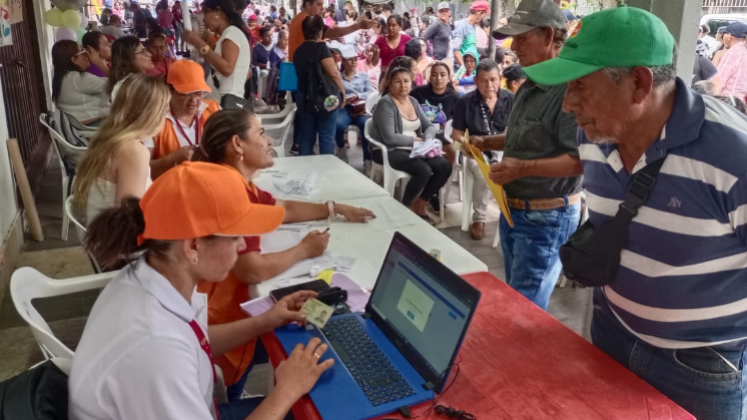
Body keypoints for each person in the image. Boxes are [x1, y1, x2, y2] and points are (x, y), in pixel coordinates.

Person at [524, 6, 747, 420]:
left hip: (699, 369)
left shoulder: (733, 156)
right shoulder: (593, 134)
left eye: (580, 86)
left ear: (640, 83)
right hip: (610, 332)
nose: (568, 104)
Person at [69, 161, 334, 420]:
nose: (243, 245)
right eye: (234, 236)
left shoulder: (150, 277)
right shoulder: (156, 347)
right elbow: (171, 349)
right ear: (193, 246)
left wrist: (265, 321)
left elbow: (195, 340)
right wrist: (288, 388)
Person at [190, 109, 373, 397]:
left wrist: (332, 208)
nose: (270, 140)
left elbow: (281, 209)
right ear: (238, 145)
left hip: (215, 321)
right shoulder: (231, 191)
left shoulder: (235, 181)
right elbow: (250, 269)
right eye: (261, 133)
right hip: (223, 323)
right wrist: (304, 249)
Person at [477, 0, 581, 310]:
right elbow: (518, 138)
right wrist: (485, 142)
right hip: (515, 212)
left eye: (522, 37)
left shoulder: (569, 90)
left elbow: (580, 161)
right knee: (517, 300)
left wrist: (522, 168)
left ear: (549, 36)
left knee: (524, 310)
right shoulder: (530, 83)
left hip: (546, 218)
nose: (514, 45)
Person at [73, 75, 170, 224]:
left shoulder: (108, 138)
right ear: (151, 115)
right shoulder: (134, 152)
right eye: (164, 110)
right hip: (115, 242)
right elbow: (128, 220)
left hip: (100, 234)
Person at [370, 66, 452, 224]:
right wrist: (417, 141)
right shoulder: (385, 104)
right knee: (423, 169)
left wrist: (427, 140)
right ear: (390, 84)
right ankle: (404, 207)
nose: (403, 86)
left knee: (444, 166)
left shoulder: (413, 101)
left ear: (411, 82)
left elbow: (428, 126)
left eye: (406, 81)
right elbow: (389, 138)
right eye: (397, 82)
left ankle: (419, 204)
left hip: (415, 148)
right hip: (389, 150)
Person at [451, 59, 514, 240]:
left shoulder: (511, 99)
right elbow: (456, 134)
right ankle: (480, 218)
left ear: (500, 79)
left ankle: (513, 215)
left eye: (493, 79)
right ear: (476, 81)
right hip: (476, 152)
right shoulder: (466, 101)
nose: (489, 85)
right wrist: (466, 145)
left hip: (504, 149)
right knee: (484, 173)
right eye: (484, 80)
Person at [147, 60, 220, 178]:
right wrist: (172, 159)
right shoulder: (153, 119)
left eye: (198, 93)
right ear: (170, 90)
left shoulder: (213, 110)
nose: (193, 100)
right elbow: (142, 171)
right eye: (185, 94)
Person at [183, 0, 253, 110]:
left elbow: (227, 69)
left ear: (218, 13)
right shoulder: (229, 34)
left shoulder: (232, 32)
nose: (204, 19)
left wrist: (199, 43)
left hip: (224, 104)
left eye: (206, 13)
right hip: (223, 102)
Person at [293, 15, 345, 156]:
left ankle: (305, 169)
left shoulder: (298, 51)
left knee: (307, 135)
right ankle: (325, 171)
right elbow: (334, 73)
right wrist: (342, 92)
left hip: (304, 96)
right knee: (326, 135)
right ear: (320, 31)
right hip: (325, 97)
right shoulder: (321, 48)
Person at [410, 60, 460, 170]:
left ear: (449, 78)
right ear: (430, 77)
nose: (438, 78)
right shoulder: (417, 93)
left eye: (442, 75)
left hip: (443, 137)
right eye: (434, 75)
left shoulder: (455, 98)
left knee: (452, 152)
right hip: (419, 134)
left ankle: (443, 181)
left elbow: (459, 124)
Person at [51, 40, 110, 125]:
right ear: (74, 59)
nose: (87, 56)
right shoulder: (78, 78)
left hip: (75, 126)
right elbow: (117, 83)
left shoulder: (62, 76)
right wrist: (100, 62)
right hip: (92, 125)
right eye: (83, 52)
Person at [337, 46, 374, 171]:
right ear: (343, 61)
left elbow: (370, 92)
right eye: (350, 59)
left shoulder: (363, 76)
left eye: (355, 59)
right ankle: (341, 149)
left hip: (360, 109)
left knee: (366, 125)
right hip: (344, 108)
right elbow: (335, 94)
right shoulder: (338, 77)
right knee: (338, 124)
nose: (353, 62)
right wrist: (345, 99)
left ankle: (367, 159)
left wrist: (357, 95)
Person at [108, 36, 154, 100]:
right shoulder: (135, 86)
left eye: (146, 50)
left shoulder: (127, 81)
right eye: (143, 52)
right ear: (128, 58)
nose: (149, 54)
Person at [453, 1, 490, 69]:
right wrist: (464, 69)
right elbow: (456, 51)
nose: (483, 19)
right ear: (479, 13)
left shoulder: (474, 27)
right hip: (460, 70)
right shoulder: (462, 26)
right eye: (484, 15)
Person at [716, 21, 747, 99]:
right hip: (740, 104)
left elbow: (718, 83)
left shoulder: (733, 53)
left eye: (725, 34)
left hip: (727, 103)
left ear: (729, 36)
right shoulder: (744, 51)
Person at [422, 2, 454, 71]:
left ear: (449, 13)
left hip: (447, 59)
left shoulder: (448, 24)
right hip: (438, 61)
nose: (444, 13)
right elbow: (423, 38)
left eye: (446, 11)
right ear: (437, 13)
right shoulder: (436, 24)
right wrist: (430, 54)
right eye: (441, 11)